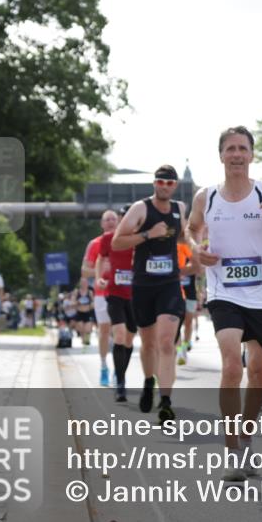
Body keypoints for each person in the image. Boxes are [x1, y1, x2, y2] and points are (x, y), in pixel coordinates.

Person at [187, 126, 262, 481]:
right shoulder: (206, 197)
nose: (236, 154)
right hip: (224, 293)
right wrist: (196, 248)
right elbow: (191, 228)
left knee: (257, 374)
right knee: (233, 366)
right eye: (230, 149)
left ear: (251, 155)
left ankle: (248, 439)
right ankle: (232, 448)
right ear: (221, 155)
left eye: (242, 148)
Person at [113, 165, 191, 422]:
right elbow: (117, 242)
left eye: (169, 183)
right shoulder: (140, 209)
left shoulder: (180, 209)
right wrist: (148, 234)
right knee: (148, 343)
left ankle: (166, 400)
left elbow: (182, 237)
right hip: (144, 285)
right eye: (160, 182)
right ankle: (149, 381)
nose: (164, 186)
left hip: (169, 284)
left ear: (175, 186)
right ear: (154, 183)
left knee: (167, 342)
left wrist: (196, 248)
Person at [97, 204, 137, 403]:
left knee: (129, 339)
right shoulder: (108, 238)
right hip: (114, 292)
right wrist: (99, 278)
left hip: (135, 296)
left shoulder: (140, 239)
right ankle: (120, 382)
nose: (126, 219)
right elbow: (100, 258)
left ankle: (120, 372)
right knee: (119, 334)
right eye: (124, 216)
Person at [83, 210, 120, 386]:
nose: (111, 222)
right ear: (102, 224)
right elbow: (84, 271)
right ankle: (104, 367)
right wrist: (101, 271)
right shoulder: (95, 244)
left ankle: (119, 370)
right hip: (101, 294)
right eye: (107, 220)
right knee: (104, 331)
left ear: (119, 222)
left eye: (114, 219)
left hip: (121, 293)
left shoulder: (124, 242)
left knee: (120, 333)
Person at [175, 242, 201, 366]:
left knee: (188, 322)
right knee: (177, 324)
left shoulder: (189, 256)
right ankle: (180, 351)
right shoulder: (175, 254)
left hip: (190, 294)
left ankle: (185, 344)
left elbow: (199, 271)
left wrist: (200, 292)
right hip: (176, 294)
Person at [72, 278, 95, 347]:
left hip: (87, 313)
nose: (84, 284)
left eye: (85, 283)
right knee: (81, 328)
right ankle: (83, 341)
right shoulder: (77, 292)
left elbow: (93, 302)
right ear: (80, 284)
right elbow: (72, 302)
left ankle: (86, 341)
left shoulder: (90, 292)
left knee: (87, 329)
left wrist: (91, 305)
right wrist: (77, 302)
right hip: (79, 313)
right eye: (82, 283)